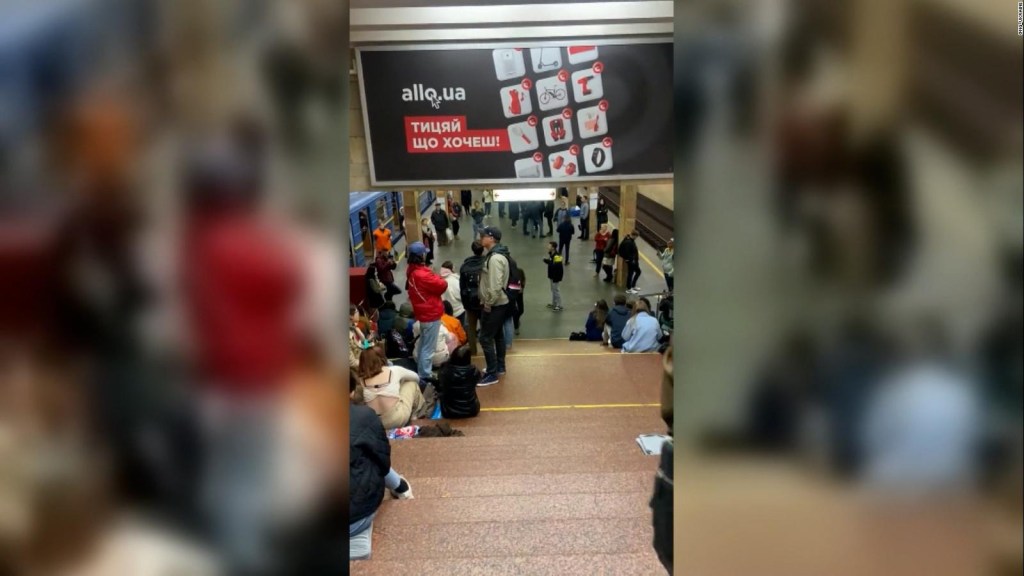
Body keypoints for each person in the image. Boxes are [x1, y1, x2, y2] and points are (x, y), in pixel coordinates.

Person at [349, 372, 413, 562]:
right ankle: (401, 488)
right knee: (370, 455)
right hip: (356, 518)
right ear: (351, 392)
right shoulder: (363, 417)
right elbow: (382, 462)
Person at [404, 241, 447, 384]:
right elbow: (442, 285)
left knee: (423, 345)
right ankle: (424, 376)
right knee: (428, 349)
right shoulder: (423, 274)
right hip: (431, 314)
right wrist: (436, 275)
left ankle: (422, 371)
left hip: (423, 314)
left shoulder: (412, 271)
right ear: (421, 255)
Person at [356, 347, 425, 429]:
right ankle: (415, 417)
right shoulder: (394, 370)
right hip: (397, 419)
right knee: (412, 384)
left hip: (376, 423)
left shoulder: (361, 381)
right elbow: (416, 377)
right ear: (382, 358)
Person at [477, 227, 510, 386]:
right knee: (497, 335)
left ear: (491, 238)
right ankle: (500, 366)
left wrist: (488, 303)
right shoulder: (495, 255)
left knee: (485, 338)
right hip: (499, 303)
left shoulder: (495, 259)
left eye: (483, 236)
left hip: (495, 304)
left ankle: (492, 373)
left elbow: (495, 285)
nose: (480, 237)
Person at [438, 345, 482, 418]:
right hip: (471, 410)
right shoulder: (474, 371)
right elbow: (476, 381)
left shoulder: (445, 370)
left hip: (449, 411)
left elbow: (440, 383)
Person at [459, 241, 487, 356]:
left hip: (470, 303)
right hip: (484, 301)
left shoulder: (465, 266)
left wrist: (466, 304)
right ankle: (487, 351)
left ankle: (473, 352)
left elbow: (462, 287)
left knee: (471, 328)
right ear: (483, 250)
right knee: (486, 327)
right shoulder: (487, 263)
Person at [439, 260, 466, 328]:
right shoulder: (454, 280)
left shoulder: (439, 281)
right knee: (460, 328)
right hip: (458, 310)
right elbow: (460, 295)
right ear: (451, 269)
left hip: (447, 312)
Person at [544, 241, 565, 312]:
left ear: (553, 247)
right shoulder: (551, 254)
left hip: (556, 276)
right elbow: (552, 263)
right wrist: (547, 261)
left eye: (549, 246)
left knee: (556, 290)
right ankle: (554, 303)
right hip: (552, 275)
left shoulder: (557, 255)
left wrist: (548, 262)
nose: (548, 247)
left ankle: (559, 305)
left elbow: (557, 266)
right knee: (553, 290)